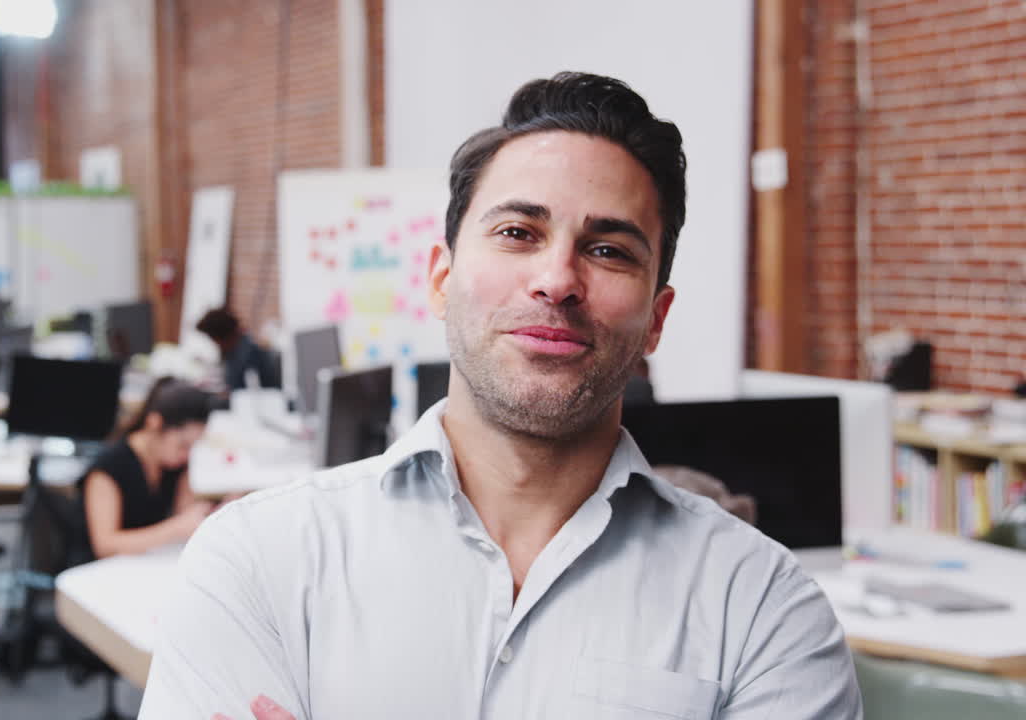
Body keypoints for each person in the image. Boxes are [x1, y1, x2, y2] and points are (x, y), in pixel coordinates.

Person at [141, 73, 862, 719]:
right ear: (441, 280)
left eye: (609, 249)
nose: (558, 279)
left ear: (657, 319)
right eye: (518, 232)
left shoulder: (766, 610)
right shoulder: (259, 561)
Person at [80, 379, 218, 559]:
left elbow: (186, 513)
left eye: (193, 447)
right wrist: (175, 528)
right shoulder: (108, 469)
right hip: (96, 571)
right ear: (154, 423)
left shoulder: (175, 463)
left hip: (144, 562)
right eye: (183, 445)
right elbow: (105, 545)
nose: (187, 455)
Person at [195, 308, 282, 390]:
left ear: (223, 337)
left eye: (213, 339)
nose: (215, 344)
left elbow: (243, 390)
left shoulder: (247, 354)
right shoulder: (239, 349)